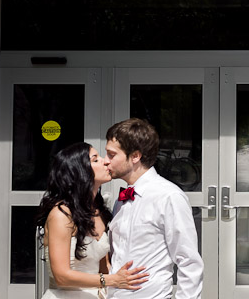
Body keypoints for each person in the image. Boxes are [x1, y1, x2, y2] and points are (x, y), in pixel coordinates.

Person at [104, 118, 203, 299]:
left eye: (111, 155)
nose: (105, 161)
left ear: (135, 156)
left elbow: (189, 262)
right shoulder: (123, 197)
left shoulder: (169, 197)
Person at [36, 142, 149, 299]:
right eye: (95, 159)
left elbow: (104, 267)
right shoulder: (61, 214)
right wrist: (112, 280)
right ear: (79, 171)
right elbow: (61, 277)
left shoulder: (99, 212)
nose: (105, 161)